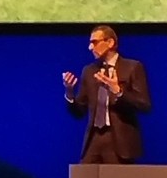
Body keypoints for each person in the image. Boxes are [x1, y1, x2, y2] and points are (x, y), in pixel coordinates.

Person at [64, 25, 152, 165]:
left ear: (110, 42)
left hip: (119, 141)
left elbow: (144, 104)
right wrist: (69, 93)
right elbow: (79, 112)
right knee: (85, 177)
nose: (90, 47)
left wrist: (118, 91)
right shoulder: (89, 71)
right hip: (94, 139)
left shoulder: (132, 67)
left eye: (94, 42)